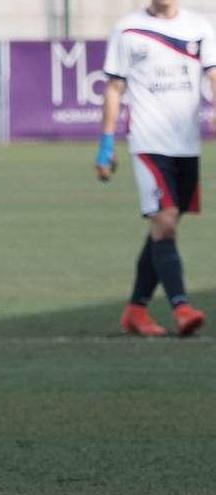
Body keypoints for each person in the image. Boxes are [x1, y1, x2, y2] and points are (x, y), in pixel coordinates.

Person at [96, 0, 215, 337]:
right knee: (164, 223)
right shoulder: (127, 28)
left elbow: (214, 76)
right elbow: (115, 87)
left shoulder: (200, 27)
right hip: (148, 143)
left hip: (187, 144)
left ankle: (135, 310)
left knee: (163, 229)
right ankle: (181, 307)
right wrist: (106, 145)